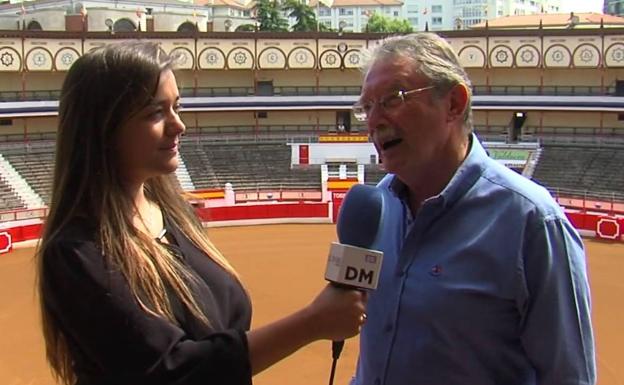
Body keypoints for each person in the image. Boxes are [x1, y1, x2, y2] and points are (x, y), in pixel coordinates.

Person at [36, 41, 367, 385]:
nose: (178, 126)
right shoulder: (76, 253)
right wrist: (311, 323)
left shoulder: (175, 216)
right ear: (103, 128)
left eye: (177, 107)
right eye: (155, 113)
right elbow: (173, 372)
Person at [350, 33, 595, 385]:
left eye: (393, 99)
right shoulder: (375, 207)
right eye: (367, 106)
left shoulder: (532, 221)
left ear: (454, 102)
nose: (375, 121)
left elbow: (568, 377)